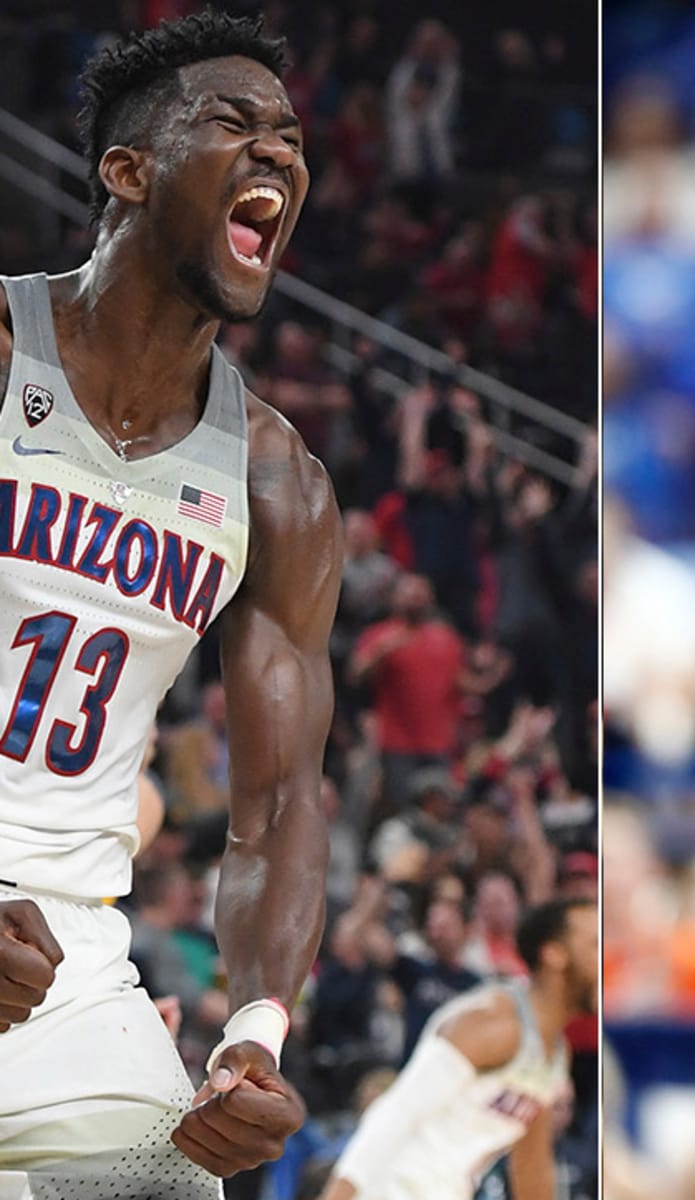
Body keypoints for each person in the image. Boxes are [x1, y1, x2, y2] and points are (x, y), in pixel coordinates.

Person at [0, 10, 340, 1198]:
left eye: (290, 141)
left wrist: (254, 1032)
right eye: (234, 125)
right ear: (127, 172)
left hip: (68, 961)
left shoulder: (276, 484)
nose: (278, 157)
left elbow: (282, 798)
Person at [319, 897, 597, 1200]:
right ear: (554, 955)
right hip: (390, 1187)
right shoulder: (493, 1022)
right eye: (596, 944)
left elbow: (531, 1165)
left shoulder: (554, 1051)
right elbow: (395, 1113)